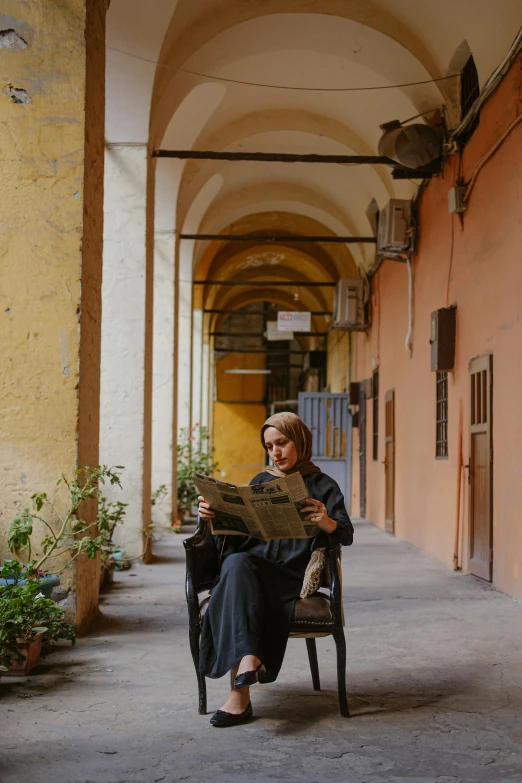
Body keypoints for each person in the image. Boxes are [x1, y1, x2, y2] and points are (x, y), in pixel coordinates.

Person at [197, 411, 354, 727]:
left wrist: (325, 521)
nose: (276, 452)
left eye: (282, 442)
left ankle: (240, 695)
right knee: (237, 564)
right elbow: (238, 539)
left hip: (291, 576)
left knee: (237, 574)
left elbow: (346, 535)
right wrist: (210, 516)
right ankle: (248, 667)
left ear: (300, 440)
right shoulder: (261, 481)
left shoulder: (324, 485)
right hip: (253, 566)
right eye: (269, 446)